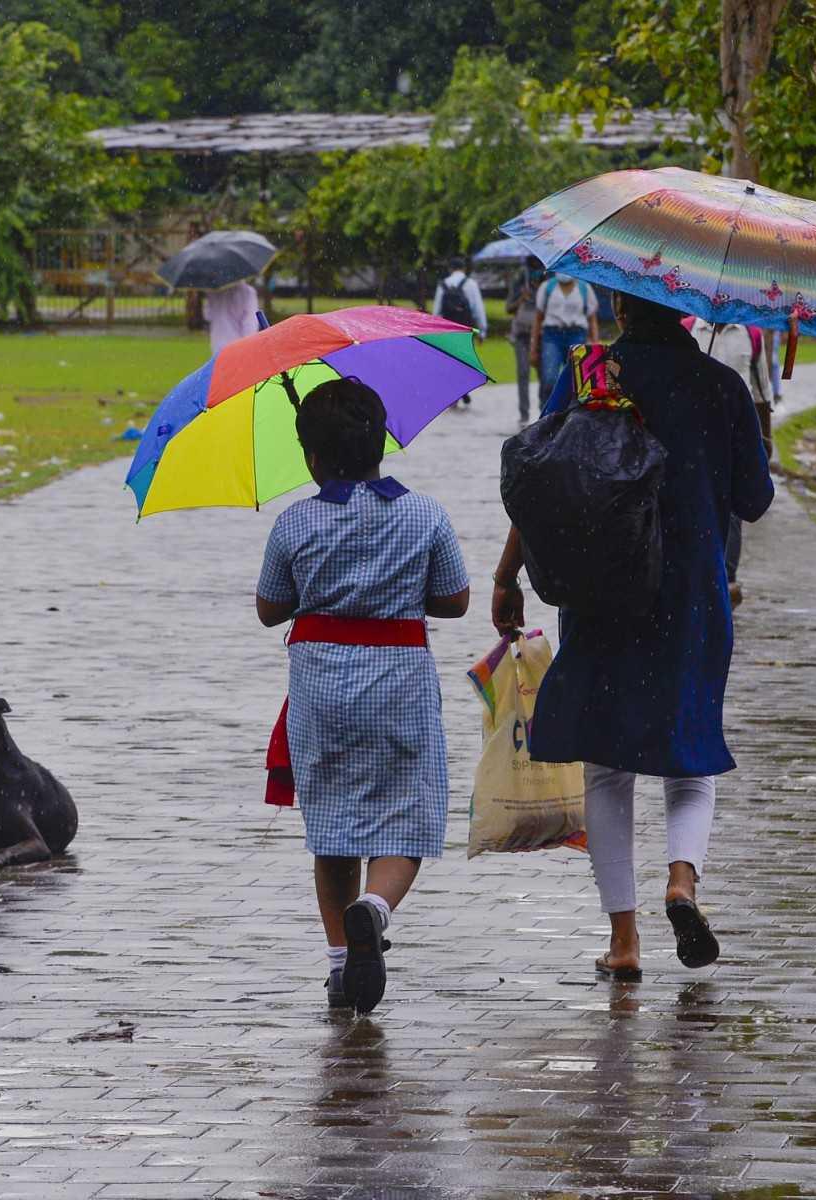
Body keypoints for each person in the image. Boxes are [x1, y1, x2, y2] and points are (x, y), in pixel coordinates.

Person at [491, 290, 773, 982]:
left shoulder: (587, 372)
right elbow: (755, 501)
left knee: (606, 767)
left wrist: (506, 577)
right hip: (691, 597)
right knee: (691, 754)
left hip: (601, 592)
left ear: (618, 302)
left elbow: (542, 483)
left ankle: (624, 941)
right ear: (685, 306)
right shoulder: (721, 384)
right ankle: (681, 881)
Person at [255, 378, 470, 1015]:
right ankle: (374, 910)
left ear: (311, 458)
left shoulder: (296, 521)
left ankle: (341, 965)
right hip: (400, 682)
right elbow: (455, 600)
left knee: (332, 828)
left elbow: (271, 608)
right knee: (407, 813)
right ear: (383, 443)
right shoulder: (425, 514)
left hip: (321, 688)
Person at [687, 317, 771, 608]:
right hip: (693, 437)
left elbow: (761, 392)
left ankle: (725, 576)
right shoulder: (688, 330)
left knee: (731, 510)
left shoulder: (752, 335)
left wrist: (764, 440)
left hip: (734, 437)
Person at [529, 274, 600, 400]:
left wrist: (595, 342)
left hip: (577, 335)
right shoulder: (547, 287)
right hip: (552, 335)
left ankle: (570, 411)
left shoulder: (585, 288)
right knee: (549, 378)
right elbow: (538, 318)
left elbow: (592, 319)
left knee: (576, 379)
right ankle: (546, 410)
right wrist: (533, 348)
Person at [431, 258, 488, 407]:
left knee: (450, 362)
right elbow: (478, 309)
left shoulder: (443, 285)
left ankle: (456, 394)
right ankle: (463, 391)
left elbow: (437, 311)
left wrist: (434, 332)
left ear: (450, 268)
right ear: (463, 268)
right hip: (465, 329)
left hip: (448, 330)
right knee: (464, 361)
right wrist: (482, 331)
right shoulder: (470, 284)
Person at [507, 259, 542, 425]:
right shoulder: (520, 278)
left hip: (543, 334)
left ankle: (545, 410)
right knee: (523, 372)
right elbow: (508, 308)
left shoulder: (549, 278)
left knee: (547, 376)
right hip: (522, 334)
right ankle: (524, 413)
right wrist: (522, 297)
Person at [205, 278, 261, 355]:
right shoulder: (247, 292)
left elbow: (208, 315)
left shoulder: (213, 292)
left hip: (217, 345)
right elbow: (250, 324)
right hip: (239, 346)